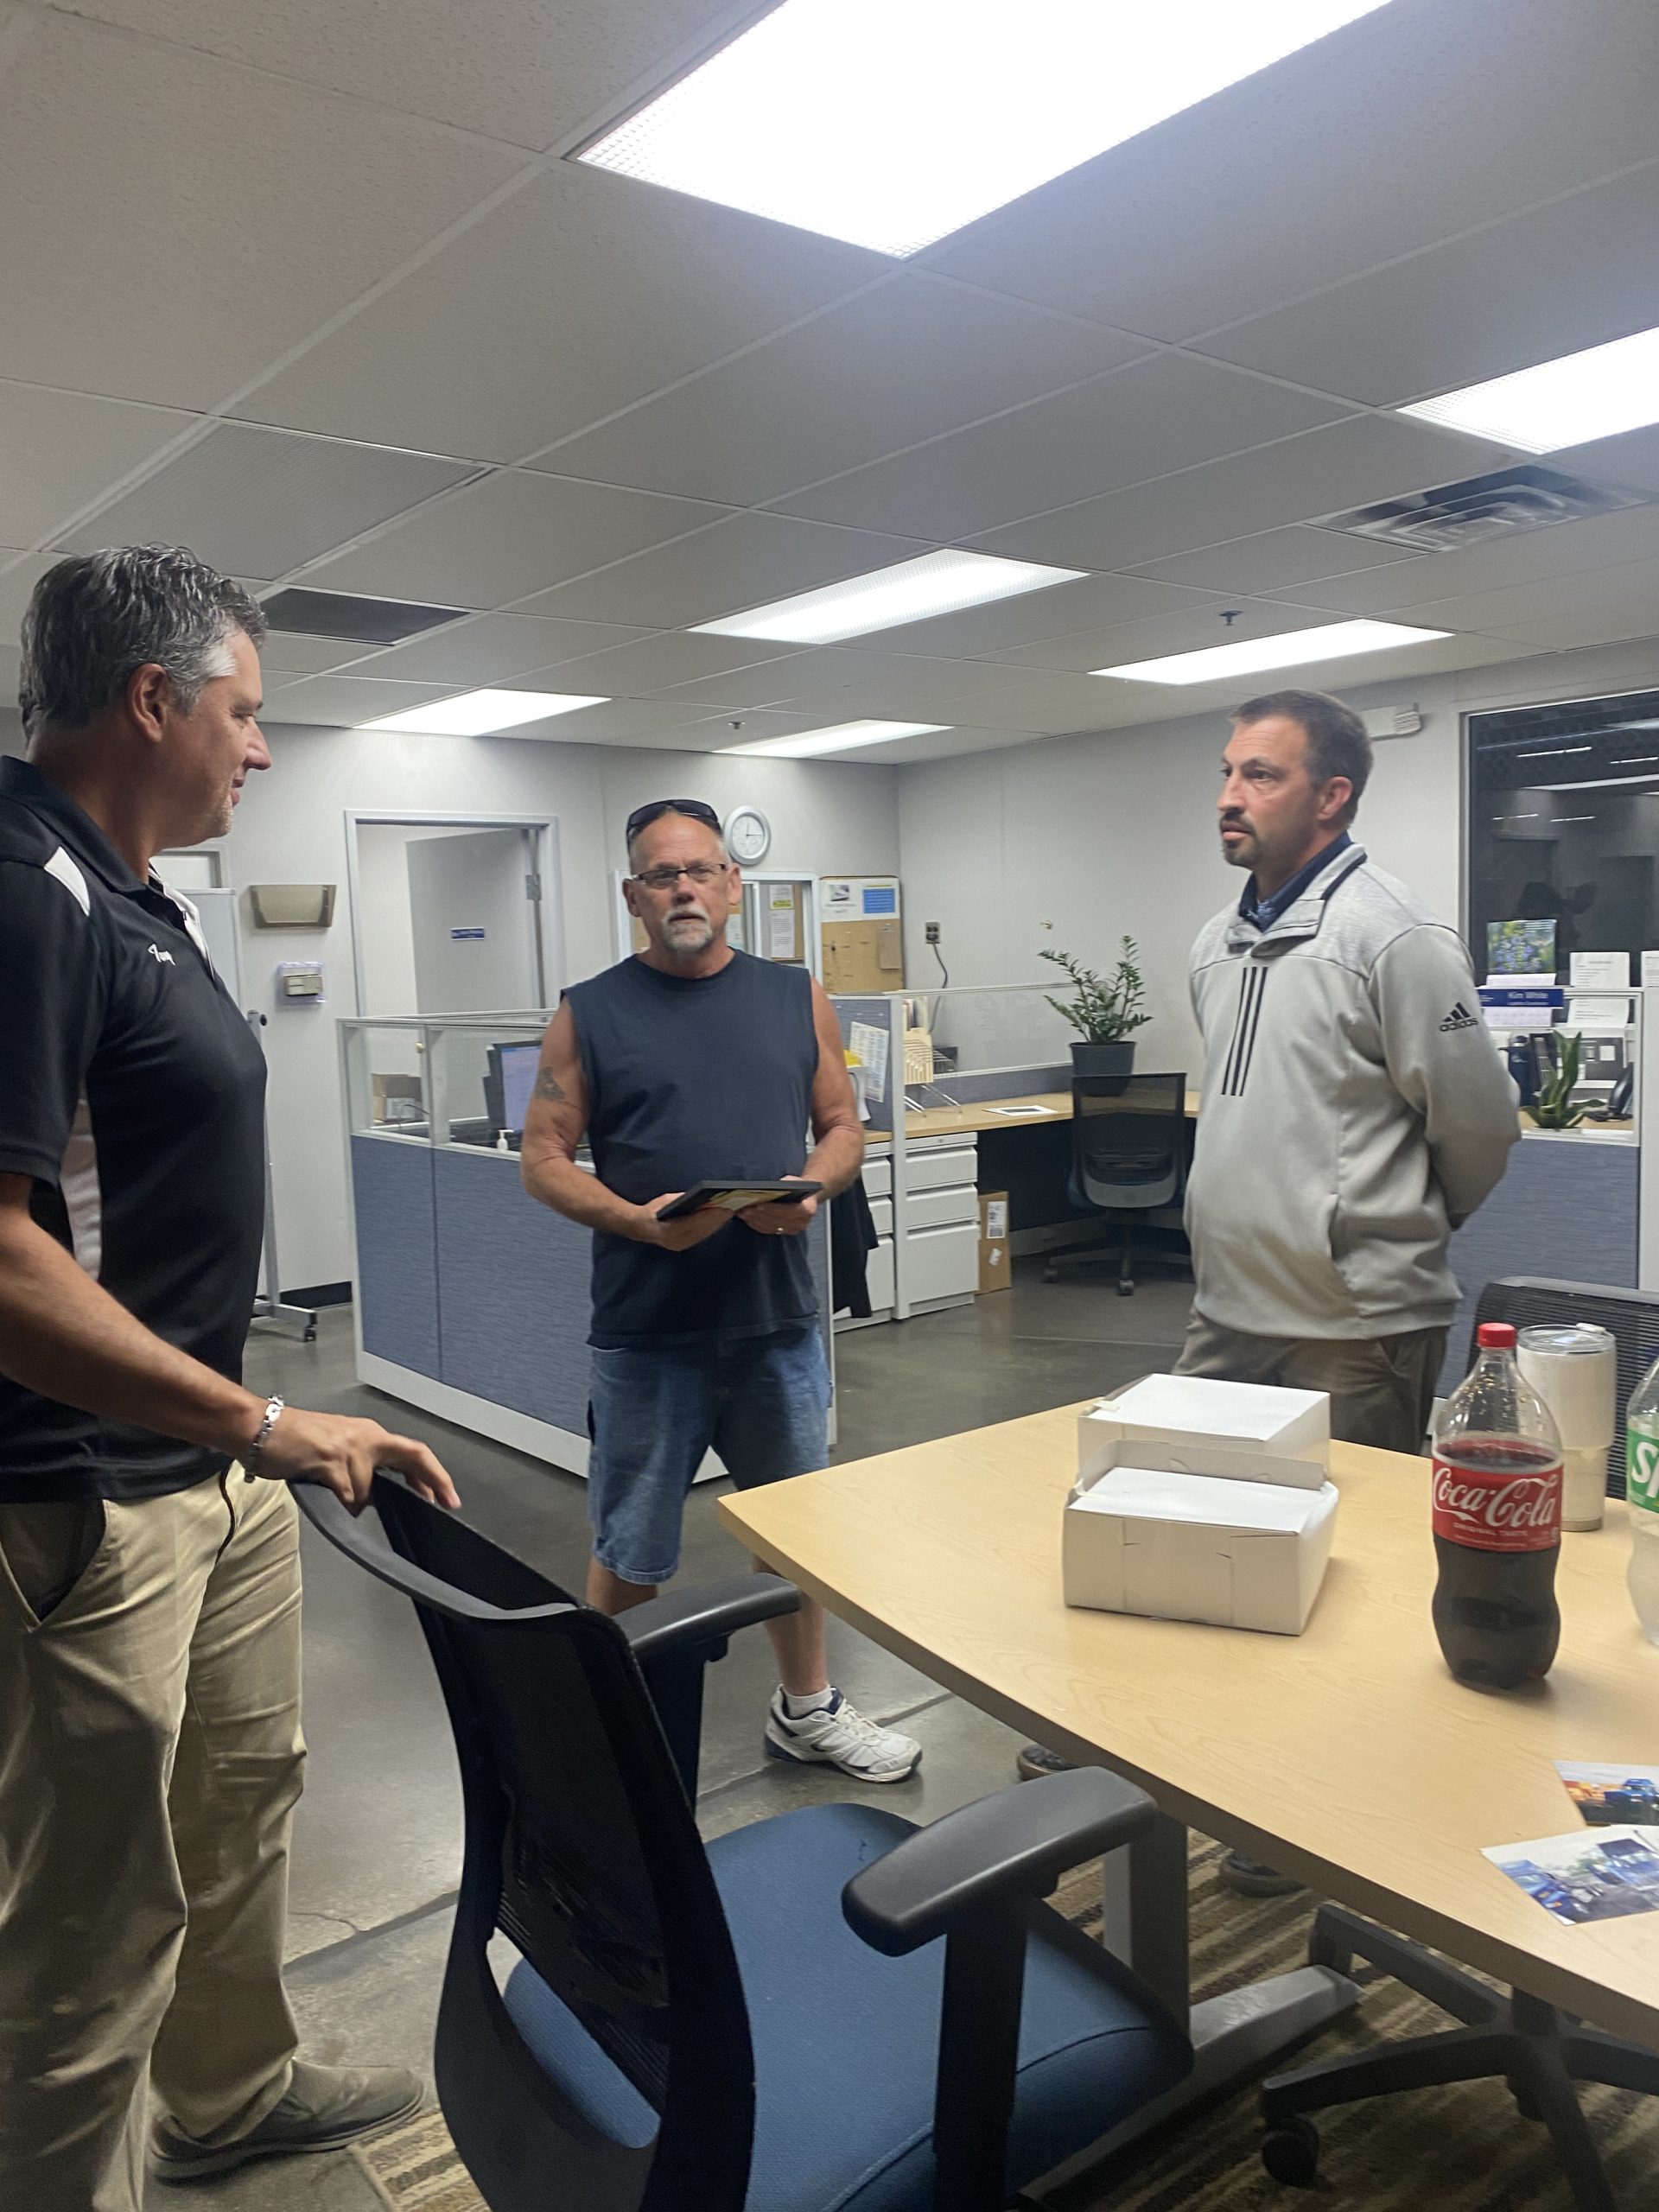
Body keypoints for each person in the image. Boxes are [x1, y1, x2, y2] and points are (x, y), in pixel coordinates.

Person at [0, 547, 461, 2209]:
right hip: (86, 1499)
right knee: (91, 1915)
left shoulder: (141, 897)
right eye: (247, 712)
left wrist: (247, 1438)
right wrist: (267, 1419)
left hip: (209, 1464)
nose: (261, 748)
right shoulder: (24, 891)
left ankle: (231, 2092)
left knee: (241, 1803)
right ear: (153, 700)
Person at [1179, 686, 1518, 1894]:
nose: (1230, 796)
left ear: (1332, 796)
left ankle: (1316, 1822)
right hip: (1227, 1314)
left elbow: (1479, 1129)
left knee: (1337, 1585)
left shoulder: (1395, 938)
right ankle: (1213, 1761)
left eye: (1260, 775)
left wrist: (1393, 1229)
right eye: (1228, 772)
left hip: (1357, 1324)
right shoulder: (1215, 944)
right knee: (1206, 1548)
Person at [520, 798, 921, 1783]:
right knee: (632, 1546)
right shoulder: (589, 1012)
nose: (684, 890)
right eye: (662, 876)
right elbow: (543, 1158)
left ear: (733, 886)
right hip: (648, 1333)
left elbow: (842, 1125)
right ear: (634, 897)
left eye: (700, 871)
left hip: (776, 1323)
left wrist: (811, 1189)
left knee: (796, 1532)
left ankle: (806, 1709)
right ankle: (614, 1732)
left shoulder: (795, 996)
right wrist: (638, 1222)